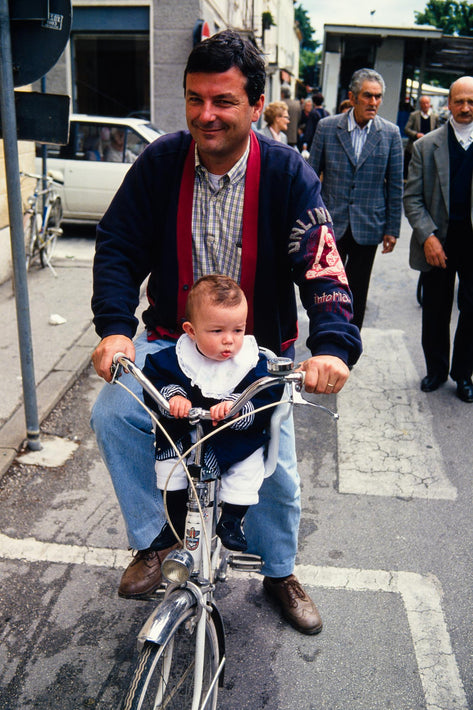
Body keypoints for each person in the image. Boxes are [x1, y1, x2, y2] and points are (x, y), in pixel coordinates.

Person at [90, 29, 362, 635]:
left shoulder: (289, 173)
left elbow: (321, 262)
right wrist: (114, 329)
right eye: (195, 99)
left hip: (259, 354)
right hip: (172, 340)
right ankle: (156, 538)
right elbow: (117, 247)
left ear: (255, 106)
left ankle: (279, 573)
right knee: (114, 413)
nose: (205, 115)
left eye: (223, 101)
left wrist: (334, 346)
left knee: (275, 471)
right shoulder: (161, 163)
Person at [142, 275, 284, 553]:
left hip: (235, 438)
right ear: (191, 330)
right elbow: (155, 377)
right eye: (217, 331)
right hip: (187, 433)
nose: (229, 341)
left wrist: (237, 404)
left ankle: (232, 519)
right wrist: (174, 396)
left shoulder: (253, 362)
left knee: (247, 468)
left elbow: (268, 390)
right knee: (169, 468)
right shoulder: (176, 357)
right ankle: (174, 521)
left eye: (238, 330)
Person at [309, 68, 403, 329]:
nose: (373, 102)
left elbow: (395, 185)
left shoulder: (390, 133)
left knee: (358, 289)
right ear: (352, 97)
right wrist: (309, 221)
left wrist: (392, 228)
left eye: (378, 97)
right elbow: (311, 176)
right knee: (326, 285)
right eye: (367, 96)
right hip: (331, 222)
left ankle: (349, 344)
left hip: (368, 225)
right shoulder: (327, 127)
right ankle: (324, 335)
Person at [403, 76, 473, 403]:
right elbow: (412, 197)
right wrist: (427, 236)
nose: (465, 107)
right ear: (449, 102)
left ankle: (463, 375)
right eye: (459, 101)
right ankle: (436, 370)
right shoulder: (425, 146)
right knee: (435, 310)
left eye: (471, 101)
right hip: (437, 243)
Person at [404, 95, 439, 179]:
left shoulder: (435, 117)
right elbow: (406, 129)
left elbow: (438, 131)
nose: (425, 105)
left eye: (427, 103)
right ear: (420, 104)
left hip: (429, 147)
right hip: (414, 147)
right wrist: (416, 134)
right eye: (423, 103)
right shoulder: (414, 115)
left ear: (430, 104)